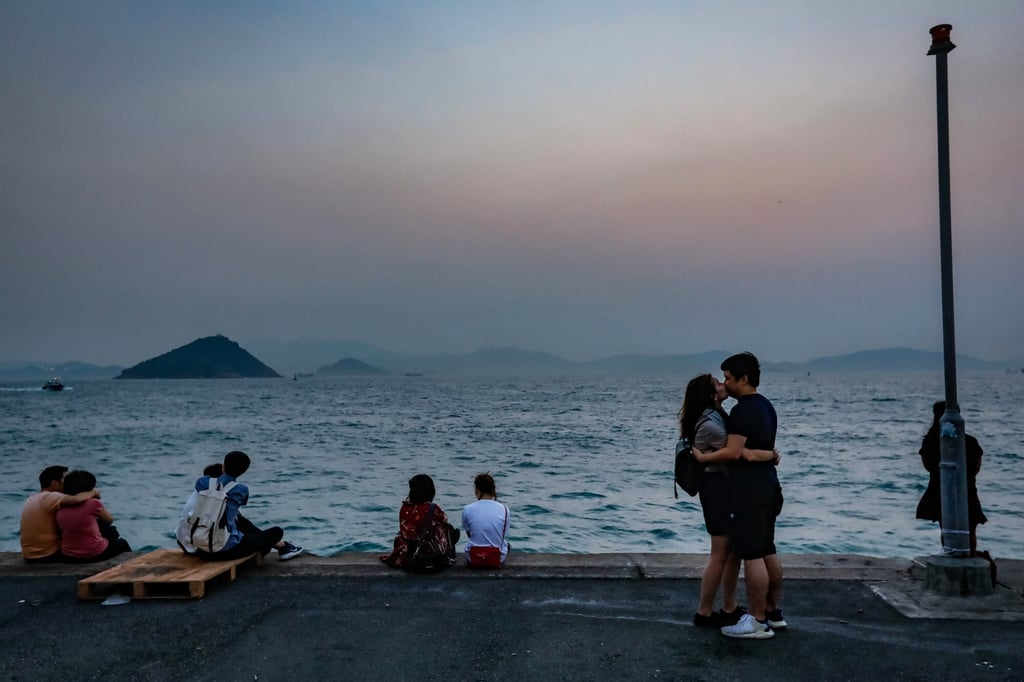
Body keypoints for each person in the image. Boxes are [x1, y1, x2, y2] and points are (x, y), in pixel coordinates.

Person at [693, 352, 784, 639]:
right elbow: (753, 448)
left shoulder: (744, 410)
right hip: (769, 485)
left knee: (753, 554)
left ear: (744, 379)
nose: (726, 383)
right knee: (768, 550)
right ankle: (772, 612)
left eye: (729, 378)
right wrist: (770, 455)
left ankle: (757, 621)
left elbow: (735, 452)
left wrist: (703, 458)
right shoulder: (766, 406)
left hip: (751, 490)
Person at [190, 451, 303, 562]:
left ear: (223, 466)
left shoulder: (202, 482)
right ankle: (282, 547)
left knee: (239, 521)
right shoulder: (241, 490)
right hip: (224, 551)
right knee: (276, 532)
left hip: (200, 547)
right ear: (243, 472)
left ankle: (282, 547)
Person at [915, 400, 987, 555]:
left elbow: (927, 467)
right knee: (970, 529)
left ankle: (950, 555)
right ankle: (970, 557)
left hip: (939, 488)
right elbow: (976, 468)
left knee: (946, 529)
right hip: (966, 488)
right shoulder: (970, 441)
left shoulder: (930, 442)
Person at [19, 465, 101, 563]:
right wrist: (93, 492)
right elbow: (77, 500)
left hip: (30, 555)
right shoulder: (50, 497)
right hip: (47, 555)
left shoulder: (33, 498)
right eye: (65, 480)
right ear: (54, 483)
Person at [380, 474, 458, 570]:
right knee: (445, 528)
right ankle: (449, 551)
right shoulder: (432, 508)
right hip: (429, 553)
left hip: (407, 553)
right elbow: (444, 519)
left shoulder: (405, 507)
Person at [55, 470, 132, 562]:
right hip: (93, 553)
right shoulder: (93, 503)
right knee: (121, 542)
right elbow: (109, 519)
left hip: (69, 555)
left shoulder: (60, 506)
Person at [461, 473, 511, 566]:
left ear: (477, 491)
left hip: (473, 557)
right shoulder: (504, 509)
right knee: (506, 545)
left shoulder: (467, 509)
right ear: (493, 490)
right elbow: (503, 535)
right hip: (497, 557)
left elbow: (470, 534)